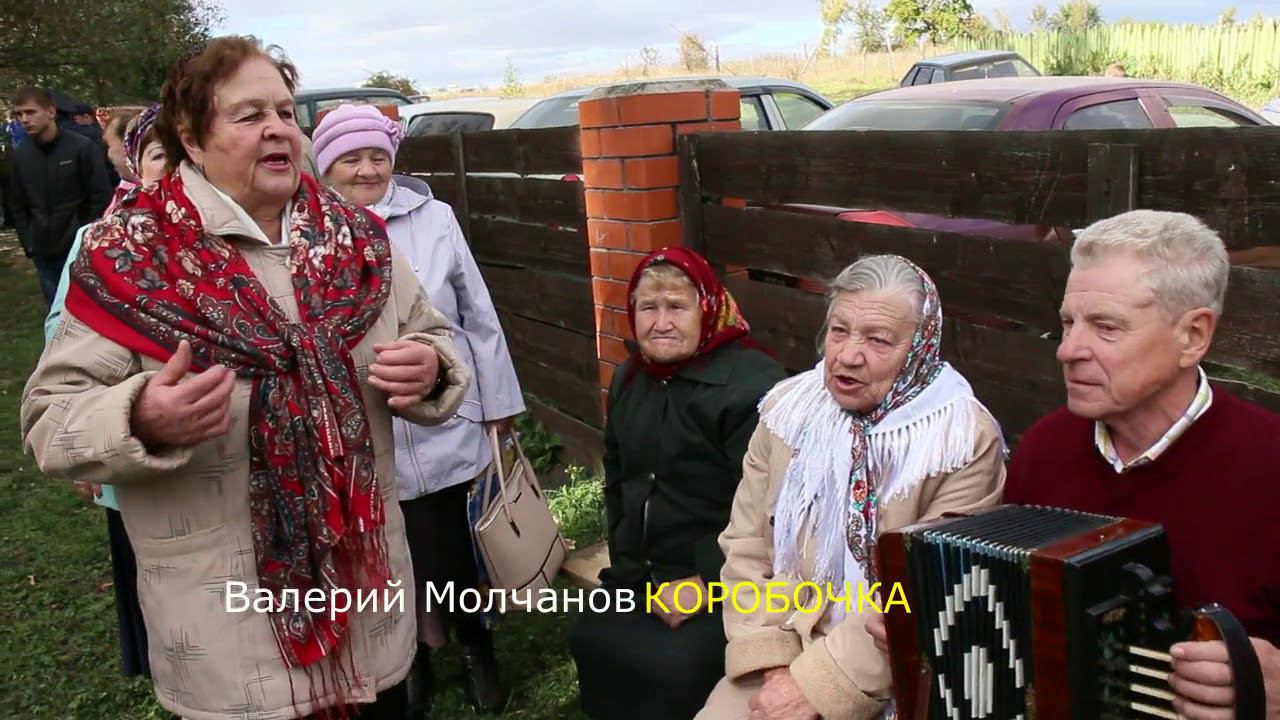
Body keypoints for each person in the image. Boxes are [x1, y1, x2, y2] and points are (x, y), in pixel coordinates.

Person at [21, 35, 472, 720]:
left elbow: (437, 341)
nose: (277, 129)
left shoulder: (358, 243)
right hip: (229, 634)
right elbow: (49, 419)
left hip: (367, 613)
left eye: (287, 112)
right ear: (191, 137)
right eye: (249, 114)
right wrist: (140, 416)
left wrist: (433, 368)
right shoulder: (130, 258)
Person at [697, 255, 1007, 720]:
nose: (847, 355)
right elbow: (746, 546)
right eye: (839, 331)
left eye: (878, 340)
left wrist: (818, 687)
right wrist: (773, 663)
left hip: (896, 670)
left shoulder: (961, 440)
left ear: (920, 349)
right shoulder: (787, 413)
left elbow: (926, 593)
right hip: (781, 644)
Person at [998, 210, 1280, 719]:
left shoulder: (1271, 466)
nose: (1067, 350)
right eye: (1068, 322)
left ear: (1193, 335)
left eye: (1106, 327)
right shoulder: (1043, 450)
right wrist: (910, 620)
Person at [311, 103, 526, 715]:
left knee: (456, 553)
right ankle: (411, 662)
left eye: (377, 155)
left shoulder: (435, 218)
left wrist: (497, 404)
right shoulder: (308, 234)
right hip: (365, 436)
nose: (366, 169)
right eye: (350, 158)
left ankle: (475, 648)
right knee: (388, 557)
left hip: (446, 420)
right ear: (326, 166)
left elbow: (477, 315)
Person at [569, 247, 788, 720]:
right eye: (648, 307)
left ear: (707, 308)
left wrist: (705, 582)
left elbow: (773, 514)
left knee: (675, 665)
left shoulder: (752, 389)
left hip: (726, 578)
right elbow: (619, 478)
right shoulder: (632, 377)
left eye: (676, 306)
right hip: (642, 572)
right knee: (590, 633)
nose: (661, 322)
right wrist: (627, 568)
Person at [41, 101, 170, 681]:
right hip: (134, 458)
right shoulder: (100, 240)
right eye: (162, 155)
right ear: (135, 165)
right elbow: (60, 341)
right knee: (153, 580)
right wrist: (91, 444)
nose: (177, 170)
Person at [8, 86, 112, 306]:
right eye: (19, 114)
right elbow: (17, 204)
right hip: (43, 251)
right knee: (55, 314)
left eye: (30, 112)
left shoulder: (82, 148)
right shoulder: (20, 156)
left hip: (79, 249)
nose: (24, 119)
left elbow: (100, 196)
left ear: (51, 112)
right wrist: (29, 243)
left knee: (87, 312)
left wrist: (84, 236)